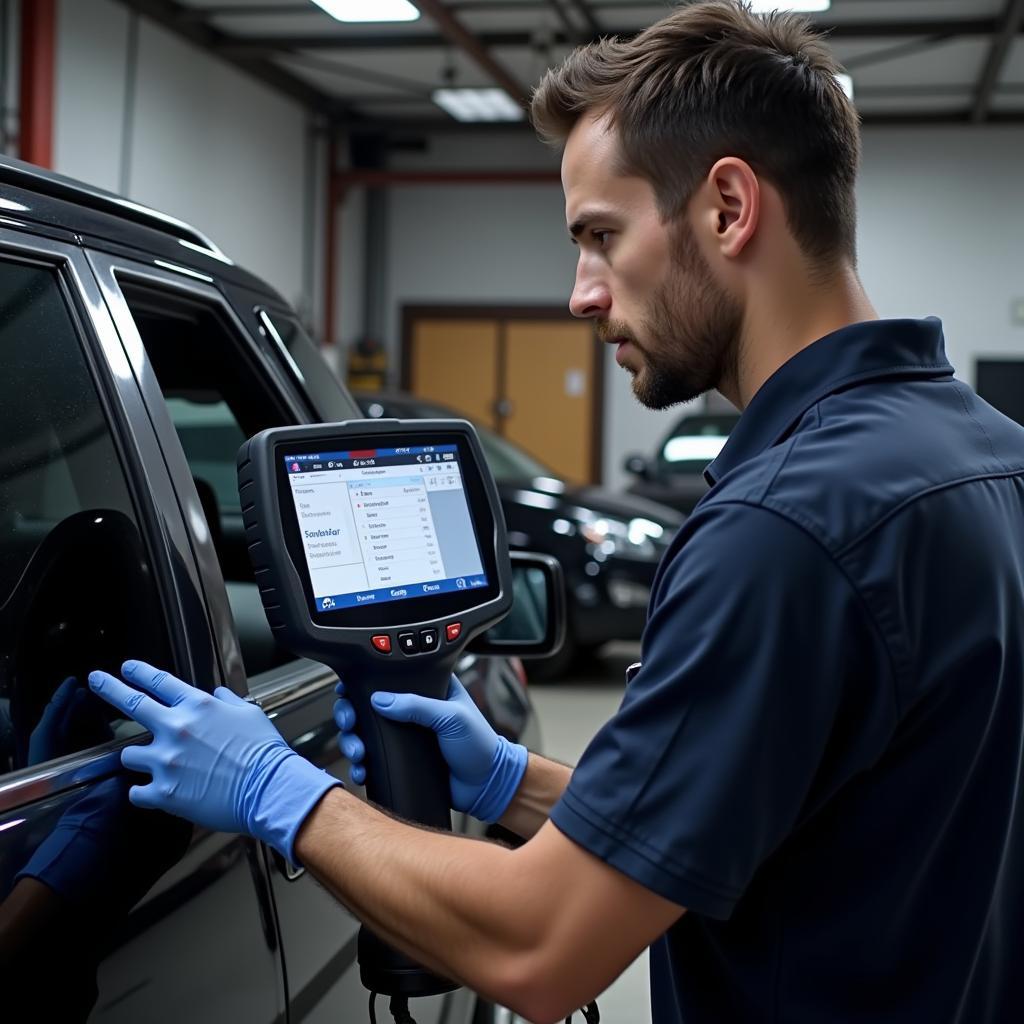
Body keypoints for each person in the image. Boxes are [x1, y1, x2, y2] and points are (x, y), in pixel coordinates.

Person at [88, 3, 1024, 1021]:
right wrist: (511, 783)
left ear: (725, 208)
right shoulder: (990, 453)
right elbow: (809, 811)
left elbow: (542, 947)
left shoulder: (783, 529)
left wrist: (280, 790)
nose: (579, 294)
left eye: (599, 237)